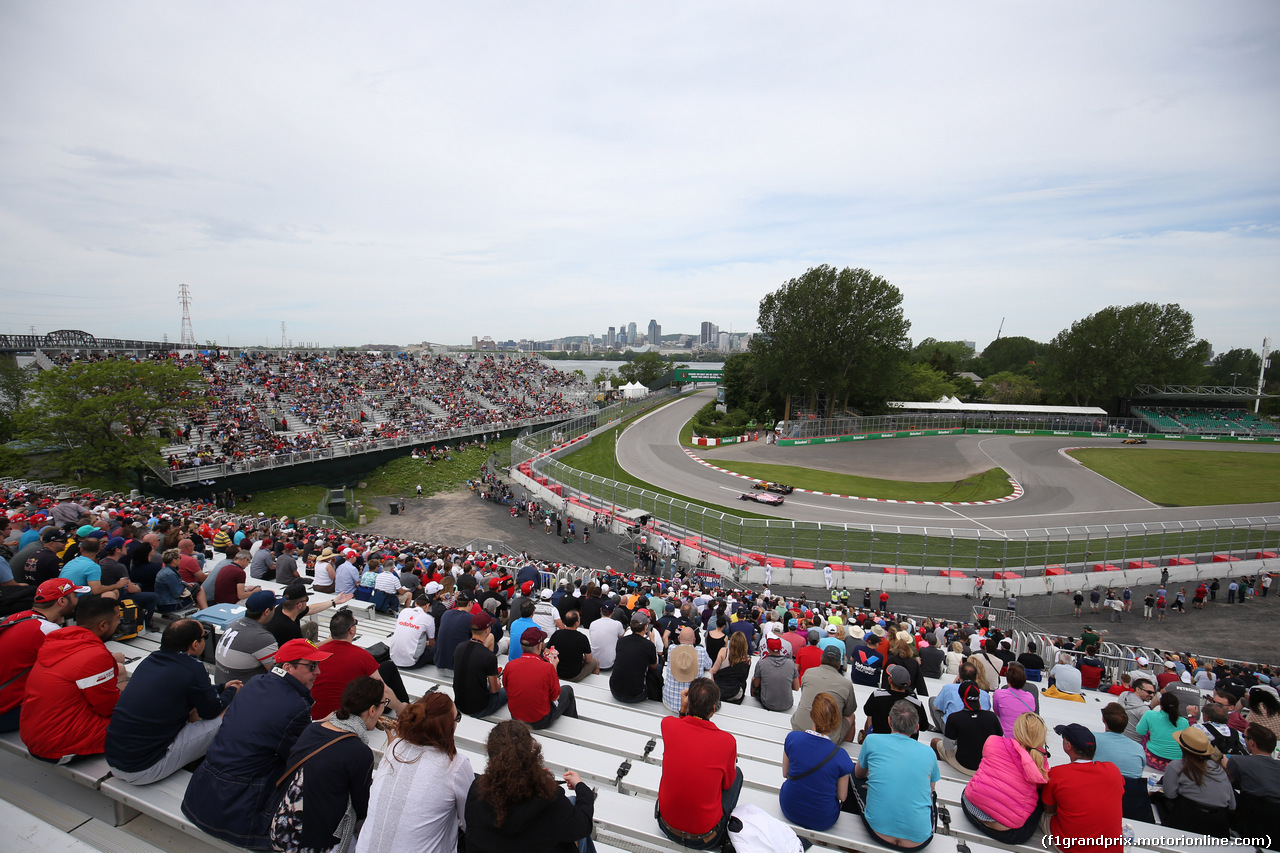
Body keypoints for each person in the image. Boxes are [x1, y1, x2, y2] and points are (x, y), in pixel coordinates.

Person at [182, 638, 332, 849]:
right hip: (238, 807)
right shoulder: (294, 706)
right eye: (312, 666)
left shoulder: (256, 682)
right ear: (288, 667)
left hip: (203, 792)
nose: (318, 672)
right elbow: (298, 757)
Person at [106, 619, 240, 784]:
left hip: (115, 759)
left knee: (192, 706)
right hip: (142, 769)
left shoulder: (150, 660)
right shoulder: (193, 668)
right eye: (203, 636)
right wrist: (232, 692)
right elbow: (211, 711)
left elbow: (193, 690)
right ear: (195, 644)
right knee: (230, 709)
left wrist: (221, 688)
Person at [269, 676, 380, 853]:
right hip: (313, 842)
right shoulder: (359, 752)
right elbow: (364, 806)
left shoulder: (312, 729)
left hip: (282, 828)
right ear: (373, 710)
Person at [356, 692, 473, 853]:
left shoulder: (395, 746)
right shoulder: (456, 764)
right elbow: (470, 821)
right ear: (450, 726)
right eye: (457, 718)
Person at [19, 595, 124, 762]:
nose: (120, 622)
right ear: (103, 625)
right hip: (57, 745)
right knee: (142, 721)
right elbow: (108, 708)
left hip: (35, 734)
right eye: (118, 618)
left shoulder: (58, 642)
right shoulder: (95, 656)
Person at [465, 719, 596, 853]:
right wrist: (581, 788)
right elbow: (583, 826)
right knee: (574, 807)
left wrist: (535, 778)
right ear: (531, 753)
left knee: (571, 803)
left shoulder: (477, 789)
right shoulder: (550, 799)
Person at [657, 678, 742, 850]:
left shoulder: (667, 724)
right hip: (705, 836)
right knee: (736, 774)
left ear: (689, 702)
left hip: (666, 825)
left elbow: (680, 730)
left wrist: (683, 710)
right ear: (712, 710)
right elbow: (727, 784)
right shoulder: (727, 742)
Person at [0, 578, 86, 732]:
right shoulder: (48, 630)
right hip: (6, 714)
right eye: (74, 595)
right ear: (62, 601)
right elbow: (83, 666)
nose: (77, 600)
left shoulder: (17, 617)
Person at [855, 699, 940, 849]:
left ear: (889, 721)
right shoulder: (929, 753)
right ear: (917, 727)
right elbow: (930, 790)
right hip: (918, 839)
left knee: (852, 775)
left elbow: (859, 774)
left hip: (878, 830)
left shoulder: (872, 740)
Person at [960, 712, 1050, 844]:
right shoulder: (1042, 763)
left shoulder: (993, 741)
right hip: (1005, 831)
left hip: (970, 807)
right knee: (1041, 794)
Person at [1039, 723, 1124, 853]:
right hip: (1112, 848)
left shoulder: (1057, 774)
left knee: (1040, 813)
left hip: (1073, 847)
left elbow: (1049, 809)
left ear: (1068, 745)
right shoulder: (1113, 770)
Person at [310, 609, 408, 720]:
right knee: (388, 668)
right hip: (346, 717)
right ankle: (406, 710)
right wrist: (400, 707)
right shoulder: (361, 656)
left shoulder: (316, 654)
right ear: (351, 630)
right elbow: (383, 691)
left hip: (316, 715)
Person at [781, 691, 855, 831]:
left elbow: (785, 773)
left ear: (812, 715)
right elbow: (842, 796)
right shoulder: (841, 756)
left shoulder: (793, 738)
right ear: (836, 720)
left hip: (790, 807)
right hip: (823, 819)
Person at [1152, 727, 1235, 836]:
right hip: (1217, 825)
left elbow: (1170, 794)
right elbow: (1232, 805)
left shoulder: (1176, 766)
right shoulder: (1219, 769)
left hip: (1185, 820)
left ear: (1182, 747)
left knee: (1157, 798)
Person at [504, 626, 578, 728]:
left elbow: (508, 689)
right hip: (540, 721)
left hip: (516, 717)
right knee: (568, 690)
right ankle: (573, 727)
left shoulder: (510, 665)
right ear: (539, 646)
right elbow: (555, 696)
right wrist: (554, 666)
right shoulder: (548, 668)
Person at [932, 681, 1004, 776]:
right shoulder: (992, 717)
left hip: (964, 765)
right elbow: (1000, 742)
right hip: (986, 766)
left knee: (935, 742)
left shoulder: (954, 718)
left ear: (961, 697)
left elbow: (948, 747)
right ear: (979, 696)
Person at [1225, 723, 1280, 844]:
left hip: (1253, 821)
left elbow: (1227, 783)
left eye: (1244, 737)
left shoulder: (1238, 761)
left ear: (1252, 743)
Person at [214, 589, 282, 684]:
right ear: (266, 612)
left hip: (221, 685)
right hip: (242, 693)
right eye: (274, 607)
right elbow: (278, 674)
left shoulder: (233, 624)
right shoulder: (262, 638)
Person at [792, 646, 858, 742]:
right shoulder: (846, 684)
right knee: (851, 716)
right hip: (828, 737)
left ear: (821, 658)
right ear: (839, 663)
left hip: (799, 727)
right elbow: (848, 712)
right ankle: (843, 751)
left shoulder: (808, 673)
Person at [454, 610, 507, 718]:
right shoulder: (488, 656)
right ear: (487, 630)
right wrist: (498, 683)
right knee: (509, 689)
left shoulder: (459, 647)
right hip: (479, 708)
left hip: (459, 703)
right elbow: (494, 689)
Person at [861, 663, 929, 741]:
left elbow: (867, 711)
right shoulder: (917, 704)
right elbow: (924, 727)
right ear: (909, 683)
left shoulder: (877, 696)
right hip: (907, 745)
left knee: (870, 715)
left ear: (889, 680)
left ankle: (866, 740)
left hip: (880, 740)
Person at [610, 613, 658, 704]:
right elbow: (654, 666)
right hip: (636, 695)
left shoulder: (621, 641)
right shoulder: (649, 645)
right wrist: (652, 642)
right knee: (658, 668)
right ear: (645, 628)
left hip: (615, 690)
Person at [663, 626, 713, 714]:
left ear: (679, 638)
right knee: (708, 673)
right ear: (694, 640)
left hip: (669, 703)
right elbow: (709, 666)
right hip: (692, 707)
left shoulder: (671, 649)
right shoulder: (701, 651)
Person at [1092, 702, 1146, 779]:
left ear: (1103, 719)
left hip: (1101, 784)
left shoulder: (1092, 738)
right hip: (1130, 789)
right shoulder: (1138, 748)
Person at [1136, 692, 1188, 770]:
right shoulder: (1184, 722)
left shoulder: (1150, 714)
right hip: (1176, 762)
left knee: (1147, 733)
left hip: (1153, 758)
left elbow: (1140, 731)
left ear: (1160, 704)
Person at [387, 592, 436, 668]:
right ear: (428, 605)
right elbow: (432, 642)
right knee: (435, 649)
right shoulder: (428, 618)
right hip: (411, 662)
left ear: (416, 604)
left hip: (393, 657)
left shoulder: (404, 611)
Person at [548, 610, 598, 682]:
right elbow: (588, 659)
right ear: (576, 623)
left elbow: (547, 651)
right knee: (595, 662)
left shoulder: (556, 634)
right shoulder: (582, 638)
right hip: (574, 675)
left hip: (557, 671)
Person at [991, 662, 1040, 735]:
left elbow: (997, 712)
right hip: (1024, 736)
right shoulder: (1030, 695)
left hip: (1005, 734)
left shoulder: (999, 693)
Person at [710, 630, 752, 704]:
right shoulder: (747, 660)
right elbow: (743, 679)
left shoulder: (723, 651)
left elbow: (713, 671)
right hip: (734, 694)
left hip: (719, 691)